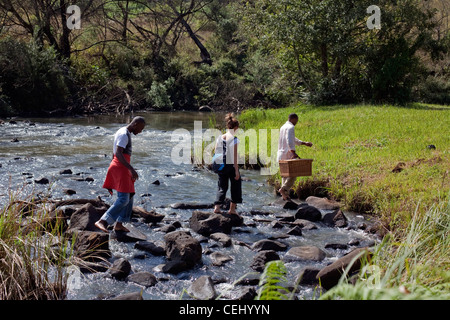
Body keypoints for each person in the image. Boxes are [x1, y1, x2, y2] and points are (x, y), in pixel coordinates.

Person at [95, 116, 146, 233]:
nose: (141, 131)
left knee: (130, 196)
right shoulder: (124, 134)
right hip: (120, 167)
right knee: (123, 199)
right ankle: (103, 221)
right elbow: (118, 153)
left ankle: (119, 223)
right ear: (135, 124)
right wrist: (131, 169)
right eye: (141, 128)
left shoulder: (123, 131)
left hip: (122, 167)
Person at [277, 113, 313, 201]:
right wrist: (293, 152)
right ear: (293, 119)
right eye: (296, 120)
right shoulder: (291, 127)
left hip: (280, 154)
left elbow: (293, 138)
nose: (296, 122)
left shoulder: (283, 127)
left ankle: (285, 195)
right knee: (294, 173)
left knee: (285, 174)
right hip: (287, 153)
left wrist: (304, 143)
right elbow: (290, 140)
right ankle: (284, 189)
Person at [213, 113, 242, 215]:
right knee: (236, 185)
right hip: (230, 166)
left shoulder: (220, 138)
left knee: (221, 186)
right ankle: (232, 210)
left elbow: (216, 151)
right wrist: (236, 171)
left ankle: (217, 207)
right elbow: (235, 157)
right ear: (236, 127)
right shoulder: (235, 139)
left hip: (221, 165)